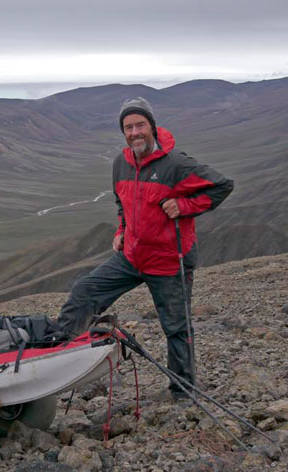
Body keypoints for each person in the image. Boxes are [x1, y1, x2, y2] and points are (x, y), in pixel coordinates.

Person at [58, 97, 233, 400]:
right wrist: (122, 231)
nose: (135, 132)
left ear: (152, 126)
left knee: (176, 328)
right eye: (128, 127)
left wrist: (184, 205)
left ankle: (183, 392)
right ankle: (55, 358)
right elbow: (122, 204)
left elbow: (222, 185)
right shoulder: (121, 163)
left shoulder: (175, 163)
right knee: (84, 291)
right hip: (132, 257)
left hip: (168, 261)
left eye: (140, 125)